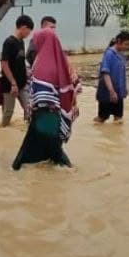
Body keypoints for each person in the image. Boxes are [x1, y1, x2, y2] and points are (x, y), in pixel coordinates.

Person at [12, 28, 80, 171]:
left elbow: (41, 96)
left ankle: (70, 170)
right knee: (42, 147)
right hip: (57, 114)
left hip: (46, 113)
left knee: (50, 148)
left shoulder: (42, 65)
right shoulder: (62, 60)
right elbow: (73, 87)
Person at [1, 14, 34, 127]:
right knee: (8, 112)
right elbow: (4, 64)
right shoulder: (9, 42)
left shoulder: (21, 42)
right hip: (9, 84)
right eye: (28, 31)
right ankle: (3, 132)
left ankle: (27, 132)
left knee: (29, 109)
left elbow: (20, 62)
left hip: (22, 83)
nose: (28, 34)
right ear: (23, 27)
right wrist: (13, 83)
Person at [95, 31, 129, 124]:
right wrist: (111, 91)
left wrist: (124, 88)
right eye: (126, 44)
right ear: (119, 41)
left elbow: (121, 73)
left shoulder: (122, 55)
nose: (127, 47)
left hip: (118, 92)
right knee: (101, 119)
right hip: (106, 92)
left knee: (118, 119)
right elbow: (106, 74)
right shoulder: (109, 54)